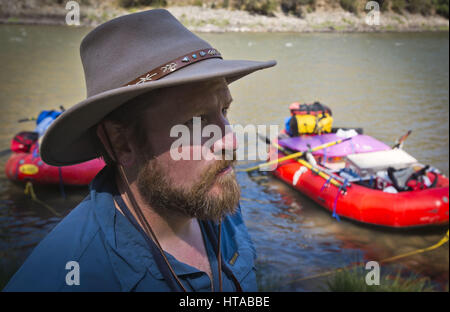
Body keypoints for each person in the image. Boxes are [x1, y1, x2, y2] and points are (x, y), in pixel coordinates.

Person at [4, 9, 275, 291]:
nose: (231, 142)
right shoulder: (66, 276)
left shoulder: (219, 201)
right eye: (196, 122)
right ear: (121, 142)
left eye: (224, 110)